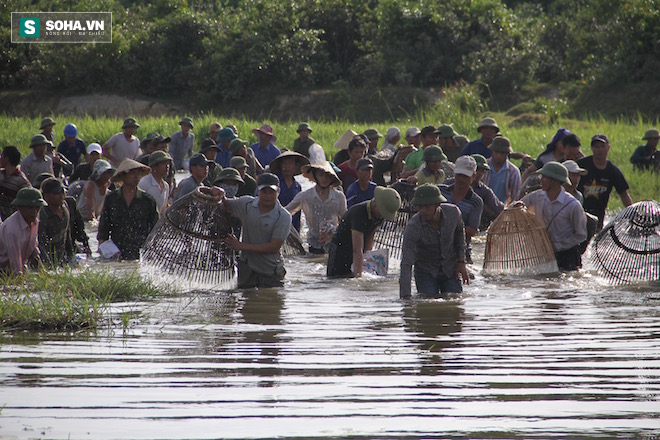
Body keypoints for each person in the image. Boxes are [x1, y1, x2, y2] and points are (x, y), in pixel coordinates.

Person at [214, 172, 292, 288]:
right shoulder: (246, 204)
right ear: (258, 191)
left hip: (271, 272)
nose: (268, 196)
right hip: (247, 269)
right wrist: (219, 194)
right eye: (264, 192)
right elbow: (226, 206)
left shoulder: (283, 216)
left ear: (278, 192)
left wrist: (240, 246)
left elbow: (273, 247)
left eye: (271, 192)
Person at [399, 184, 469, 299]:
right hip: (425, 270)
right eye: (420, 207)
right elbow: (406, 263)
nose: (422, 210)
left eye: (427, 206)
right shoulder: (413, 227)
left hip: (450, 268)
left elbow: (460, 233)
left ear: (438, 205)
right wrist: (405, 297)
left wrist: (461, 261)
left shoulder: (453, 213)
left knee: (455, 303)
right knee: (428, 304)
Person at [520, 162, 587, 271]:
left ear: (555, 181)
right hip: (544, 254)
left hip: (567, 257)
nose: (541, 180)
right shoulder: (536, 196)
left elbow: (581, 235)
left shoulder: (572, 205)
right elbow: (518, 205)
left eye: (544, 177)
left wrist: (558, 246)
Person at [327, 186, 401, 278]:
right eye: (383, 212)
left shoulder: (379, 215)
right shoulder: (359, 214)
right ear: (375, 205)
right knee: (337, 278)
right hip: (340, 248)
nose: (383, 216)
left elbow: (371, 235)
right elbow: (357, 250)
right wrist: (359, 279)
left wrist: (367, 257)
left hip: (357, 248)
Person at [97, 159, 158, 260]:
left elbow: (155, 229)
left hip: (140, 253)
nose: (136, 176)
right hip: (117, 252)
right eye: (132, 173)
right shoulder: (111, 199)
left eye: (138, 173)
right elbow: (103, 227)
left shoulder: (148, 200)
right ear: (122, 176)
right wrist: (103, 249)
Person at [286, 161, 347, 254]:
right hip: (313, 242)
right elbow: (286, 212)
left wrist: (334, 234)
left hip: (333, 240)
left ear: (332, 178)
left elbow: (345, 221)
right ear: (315, 176)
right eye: (321, 175)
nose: (324, 178)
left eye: (327, 175)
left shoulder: (339, 197)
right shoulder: (305, 196)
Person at [577, 134, 633, 229]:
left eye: (602, 146)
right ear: (592, 148)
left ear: (608, 147)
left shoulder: (612, 170)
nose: (599, 150)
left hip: (598, 217)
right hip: (578, 212)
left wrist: (633, 215)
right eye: (596, 147)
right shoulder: (581, 165)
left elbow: (624, 194)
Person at [439, 155, 484, 264]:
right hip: (436, 247)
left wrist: (449, 226)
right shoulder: (441, 191)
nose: (461, 179)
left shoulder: (476, 202)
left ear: (474, 176)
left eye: (465, 176)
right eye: (458, 175)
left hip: (460, 250)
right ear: (454, 174)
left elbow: (472, 230)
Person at [0, 187, 46, 274]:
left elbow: (33, 248)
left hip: (19, 265)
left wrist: (43, 272)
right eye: (30, 208)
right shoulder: (12, 229)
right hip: (3, 269)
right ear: (19, 207)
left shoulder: (34, 219)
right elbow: (15, 265)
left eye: (37, 208)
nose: (34, 211)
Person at [268, 151, 309, 231]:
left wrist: (297, 231)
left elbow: (298, 212)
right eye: (284, 164)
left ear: (295, 166)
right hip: (275, 224)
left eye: (290, 164)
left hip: (291, 226)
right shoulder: (275, 183)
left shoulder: (297, 187)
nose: (286, 167)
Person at [38, 177, 73, 267]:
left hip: (61, 259)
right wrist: (46, 266)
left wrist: (71, 257)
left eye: (63, 191)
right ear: (46, 196)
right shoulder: (42, 215)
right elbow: (41, 244)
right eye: (57, 193)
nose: (62, 195)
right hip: (46, 260)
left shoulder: (65, 207)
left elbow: (67, 235)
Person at [466, 154, 503, 230]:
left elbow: (499, 209)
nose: (479, 173)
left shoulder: (485, 191)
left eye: (483, 171)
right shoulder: (453, 184)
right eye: (477, 169)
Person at [482, 136, 522, 203]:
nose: (499, 155)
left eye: (502, 153)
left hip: (503, 208)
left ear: (507, 153)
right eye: (496, 152)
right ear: (492, 151)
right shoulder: (483, 167)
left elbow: (515, 197)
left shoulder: (513, 172)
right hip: (482, 205)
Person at [0, 146, 31, 222]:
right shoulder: (1, 174)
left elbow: (29, 200)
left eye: (1, 156)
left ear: (6, 159)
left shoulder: (22, 181)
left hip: (12, 221)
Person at [139, 151, 172, 215]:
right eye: (163, 163)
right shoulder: (144, 183)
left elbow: (163, 210)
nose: (167, 166)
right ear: (154, 167)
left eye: (168, 163)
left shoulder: (166, 186)